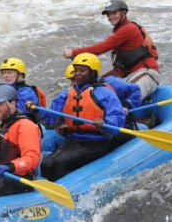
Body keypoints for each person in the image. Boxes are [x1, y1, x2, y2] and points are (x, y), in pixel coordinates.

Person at [35, 53, 125, 181]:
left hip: (97, 142)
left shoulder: (104, 92)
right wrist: (36, 111)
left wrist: (105, 122)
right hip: (74, 140)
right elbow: (51, 118)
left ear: (93, 72)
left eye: (82, 70)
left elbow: (117, 116)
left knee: (58, 164)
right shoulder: (67, 93)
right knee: (45, 164)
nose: (77, 73)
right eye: (76, 70)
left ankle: (69, 192)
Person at [63, 0, 160, 100]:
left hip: (146, 74)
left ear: (124, 12)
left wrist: (73, 52)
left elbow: (101, 48)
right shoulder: (122, 31)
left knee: (130, 99)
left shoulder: (128, 29)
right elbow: (120, 69)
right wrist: (101, 78)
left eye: (114, 13)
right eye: (108, 14)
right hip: (133, 75)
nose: (111, 17)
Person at [0, 57, 47, 137]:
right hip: (5, 132)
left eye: (9, 72)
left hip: (24, 132)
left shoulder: (26, 91)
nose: (5, 76)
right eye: (4, 73)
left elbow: (20, 110)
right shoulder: (0, 92)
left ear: (20, 75)